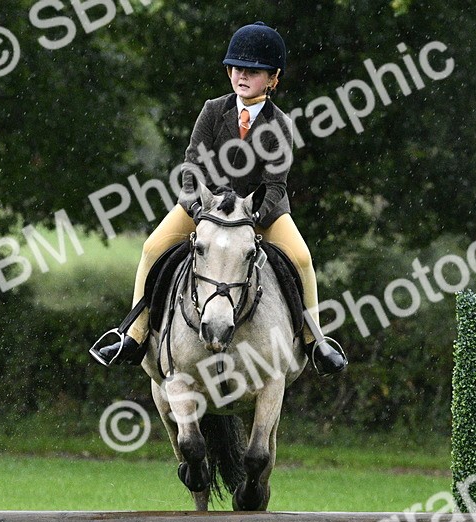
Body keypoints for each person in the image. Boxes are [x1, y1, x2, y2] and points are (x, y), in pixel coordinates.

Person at [89, 20, 347, 376]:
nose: (243, 76)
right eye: (237, 68)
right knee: (151, 248)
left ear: (273, 79)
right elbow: (192, 166)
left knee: (302, 258)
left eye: (254, 71)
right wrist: (197, 208)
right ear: (229, 72)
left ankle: (313, 340)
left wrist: (253, 217)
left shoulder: (281, 124)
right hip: (205, 208)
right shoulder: (213, 110)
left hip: (260, 212)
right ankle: (132, 334)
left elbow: (275, 185)